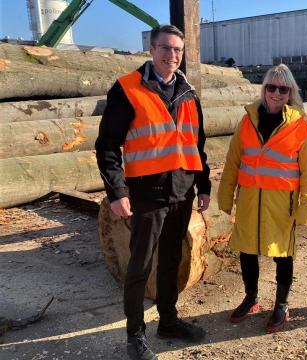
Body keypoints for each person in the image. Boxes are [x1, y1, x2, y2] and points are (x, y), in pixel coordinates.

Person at [95, 25, 210, 360]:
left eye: (177, 50)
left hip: (181, 191)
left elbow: (195, 146)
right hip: (146, 194)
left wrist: (203, 186)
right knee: (140, 265)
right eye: (165, 48)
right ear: (151, 48)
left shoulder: (188, 92)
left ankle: (169, 321)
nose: (171, 56)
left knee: (172, 259)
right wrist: (117, 191)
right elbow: (107, 147)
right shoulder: (127, 89)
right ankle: (135, 335)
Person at [217, 64, 307, 333]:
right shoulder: (247, 121)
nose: (276, 93)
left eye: (282, 88)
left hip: (281, 206)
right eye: (271, 87)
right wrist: (226, 197)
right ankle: (251, 298)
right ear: (263, 89)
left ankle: (281, 304)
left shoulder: (299, 127)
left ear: (290, 92)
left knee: (283, 255)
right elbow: (233, 162)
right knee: (247, 250)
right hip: (250, 201)